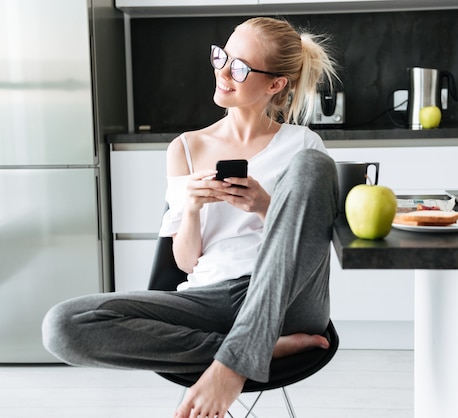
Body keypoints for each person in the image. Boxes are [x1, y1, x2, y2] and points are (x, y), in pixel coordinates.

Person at [42, 16, 340, 418]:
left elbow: (313, 243)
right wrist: (194, 209)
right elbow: (184, 263)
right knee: (62, 326)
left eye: (240, 67)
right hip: (210, 299)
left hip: (289, 301)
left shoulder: (303, 144)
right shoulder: (184, 147)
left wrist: (265, 206)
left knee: (312, 167)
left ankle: (232, 363)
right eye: (223, 57)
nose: (223, 71)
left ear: (275, 84)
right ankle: (249, 349)